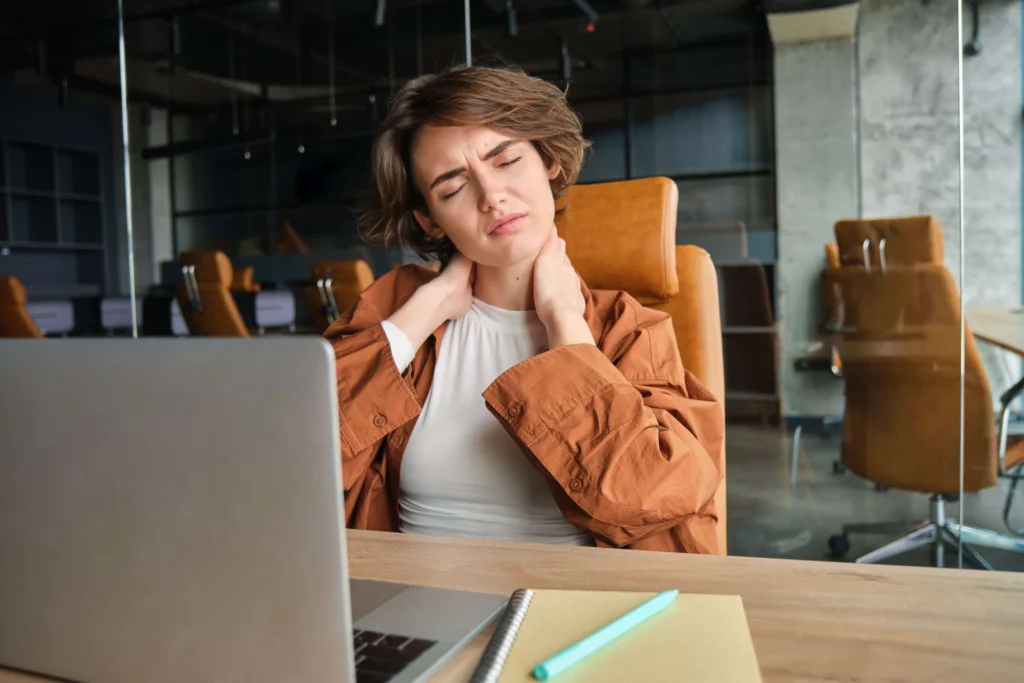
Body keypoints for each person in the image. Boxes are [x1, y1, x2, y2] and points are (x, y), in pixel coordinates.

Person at [326, 65, 724, 554]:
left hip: (568, 610)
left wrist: (566, 327)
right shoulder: (396, 308)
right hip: (411, 605)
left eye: (507, 161)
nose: (492, 197)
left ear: (549, 162)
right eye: (452, 188)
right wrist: (426, 307)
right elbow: (292, 451)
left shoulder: (628, 330)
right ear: (430, 220)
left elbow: (655, 499)